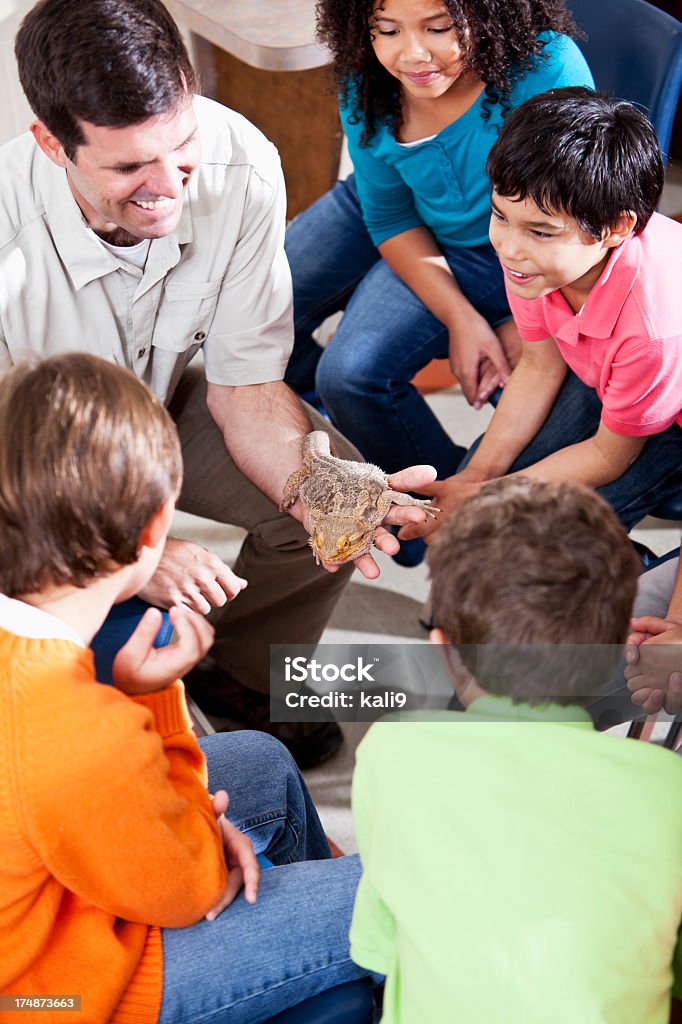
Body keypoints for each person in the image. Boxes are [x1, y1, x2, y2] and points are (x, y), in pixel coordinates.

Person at [4, 0, 436, 768]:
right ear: (50, 144)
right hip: (29, 474)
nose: (168, 187)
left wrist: (314, 495)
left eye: (181, 147)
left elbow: (244, 384)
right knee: (103, 678)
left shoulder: (239, 159)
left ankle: (238, 676)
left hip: (159, 404)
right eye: (130, 167)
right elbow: (15, 480)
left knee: (326, 480)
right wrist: (136, 552)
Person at [0, 352, 374, 1023]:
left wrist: (192, 825)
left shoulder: (34, 666)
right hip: (53, 992)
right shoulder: (76, 724)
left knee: (259, 758)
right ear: (153, 532)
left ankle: (316, 975)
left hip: (40, 919)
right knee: (400, 891)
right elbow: (188, 888)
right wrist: (160, 709)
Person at [350, 476, 682, 1023]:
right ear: (614, 656)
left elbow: (376, 951)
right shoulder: (667, 785)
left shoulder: (390, 751)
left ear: (445, 656)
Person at [283, 0, 594, 502]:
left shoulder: (546, 68)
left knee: (351, 374)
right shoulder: (363, 80)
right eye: (386, 30)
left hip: (503, 241)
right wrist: (461, 320)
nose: (413, 54)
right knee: (262, 303)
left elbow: (566, 225)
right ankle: (355, 453)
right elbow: (389, 215)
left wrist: (529, 320)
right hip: (396, 204)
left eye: (439, 27)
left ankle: (440, 510)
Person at [400, 87, 682, 549]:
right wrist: (477, 478)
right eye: (501, 216)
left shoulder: (654, 331)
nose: (509, 248)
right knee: (478, 489)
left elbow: (608, 457)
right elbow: (539, 365)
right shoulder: (540, 264)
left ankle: (625, 592)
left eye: (540, 231)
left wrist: (485, 500)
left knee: (538, 539)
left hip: (666, 415)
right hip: (608, 376)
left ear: (615, 229)